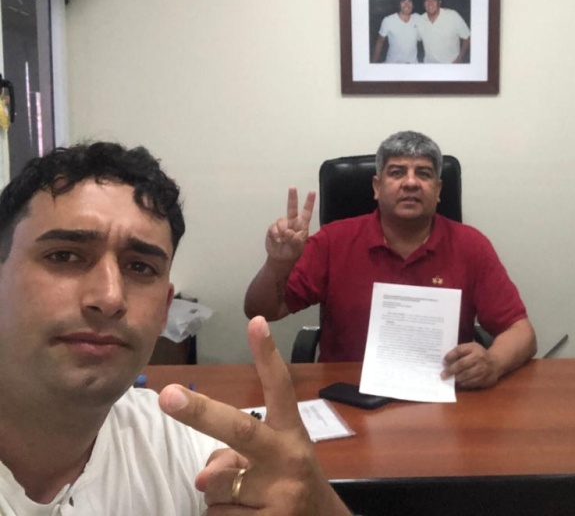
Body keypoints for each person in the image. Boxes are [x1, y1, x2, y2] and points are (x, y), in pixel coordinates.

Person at [0, 142, 352, 515]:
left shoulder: (197, 459)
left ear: (165, 309)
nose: (110, 297)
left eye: (140, 267)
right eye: (65, 256)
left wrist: (321, 506)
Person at [244, 131, 537, 389]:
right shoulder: (334, 241)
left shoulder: (471, 245)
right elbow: (262, 311)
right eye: (397, 172)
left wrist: (493, 363)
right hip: (347, 390)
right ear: (376, 186)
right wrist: (277, 265)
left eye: (423, 174)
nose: (410, 183)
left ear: (438, 190)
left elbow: (521, 332)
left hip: (443, 390)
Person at [416, 0, 471, 64]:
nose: (430, 3)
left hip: (451, 64)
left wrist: (459, 58)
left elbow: (467, 37)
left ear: (439, 2)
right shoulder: (420, 20)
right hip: (429, 65)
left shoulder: (452, 16)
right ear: (424, 4)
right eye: (427, 0)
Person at [371, 0, 420, 64]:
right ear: (399, 4)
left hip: (413, 64)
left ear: (413, 4)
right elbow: (379, 42)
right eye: (403, 1)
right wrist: (373, 64)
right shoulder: (388, 20)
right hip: (393, 65)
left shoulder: (418, 18)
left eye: (409, 1)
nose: (407, 5)